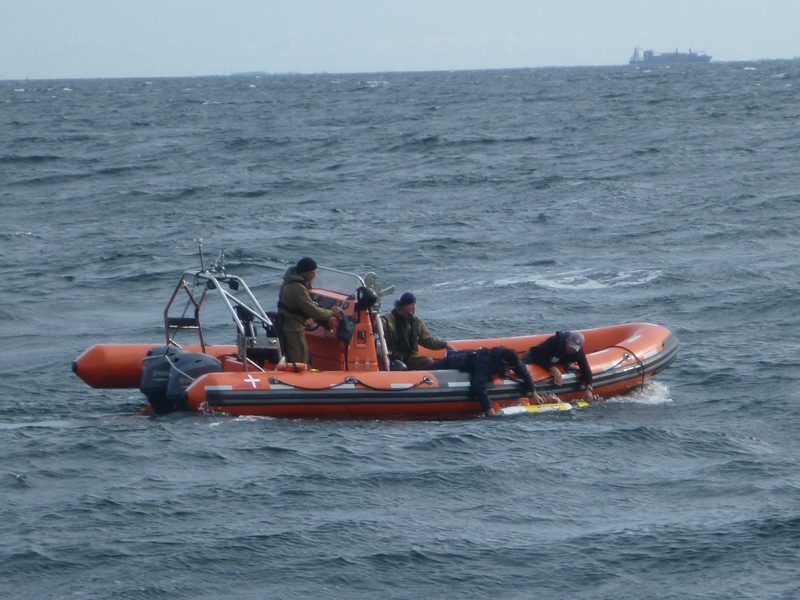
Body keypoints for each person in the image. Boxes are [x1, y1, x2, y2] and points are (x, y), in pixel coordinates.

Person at [430, 346, 542, 416]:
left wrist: (534, 392)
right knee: (428, 368)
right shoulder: (486, 362)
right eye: (508, 368)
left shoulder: (512, 359)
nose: (510, 370)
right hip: (455, 362)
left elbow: (524, 373)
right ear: (504, 363)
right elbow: (478, 386)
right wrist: (488, 408)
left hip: (470, 355)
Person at [277, 257, 342, 364]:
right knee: (300, 361)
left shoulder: (289, 282)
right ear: (305, 272)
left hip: (287, 325)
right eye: (312, 273)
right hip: (293, 329)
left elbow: (301, 305)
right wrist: (332, 312)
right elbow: (315, 313)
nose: (314, 275)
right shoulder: (296, 287)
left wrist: (314, 306)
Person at [381, 292, 456, 370]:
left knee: (427, 361)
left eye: (414, 304)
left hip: (410, 358)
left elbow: (427, 339)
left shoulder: (416, 322)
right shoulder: (389, 320)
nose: (414, 307)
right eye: (411, 305)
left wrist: (444, 344)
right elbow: (379, 327)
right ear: (403, 306)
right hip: (393, 359)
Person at [523, 331, 594, 402]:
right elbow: (535, 355)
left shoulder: (579, 353)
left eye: (574, 349)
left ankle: (567, 366)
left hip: (557, 361)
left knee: (569, 366)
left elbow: (586, 370)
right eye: (570, 346)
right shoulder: (555, 341)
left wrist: (588, 388)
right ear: (567, 340)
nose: (571, 350)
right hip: (534, 357)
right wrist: (553, 369)